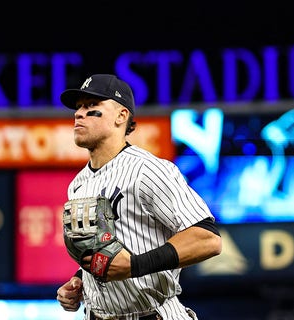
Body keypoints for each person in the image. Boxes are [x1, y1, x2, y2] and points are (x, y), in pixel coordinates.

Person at [55, 74, 222, 320]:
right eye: (79, 107)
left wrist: (135, 266)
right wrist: (79, 281)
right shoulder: (78, 184)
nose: (79, 114)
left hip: (153, 314)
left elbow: (207, 239)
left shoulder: (148, 170)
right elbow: (101, 248)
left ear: (122, 116)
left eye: (92, 106)